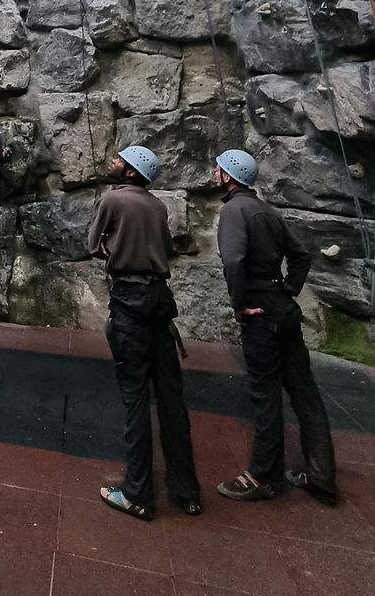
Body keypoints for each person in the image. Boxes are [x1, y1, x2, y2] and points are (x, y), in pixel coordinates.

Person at [214, 149, 338, 506]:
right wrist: (286, 289)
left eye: (218, 169)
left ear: (227, 176)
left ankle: (262, 477)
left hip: (259, 311)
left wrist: (239, 305)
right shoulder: (268, 211)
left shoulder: (233, 211)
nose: (215, 172)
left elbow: (234, 261)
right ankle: (321, 476)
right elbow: (300, 256)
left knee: (265, 394)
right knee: (306, 394)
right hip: (283, 308)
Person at [88, 146, 202, 521]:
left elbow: (93, 244)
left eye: (120, 160)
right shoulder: (158, 206)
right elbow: (164, 249)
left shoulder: (112, 199)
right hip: (159, 301)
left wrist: (112, 247)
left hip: (129, 303)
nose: (113, 161)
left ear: (133, 172)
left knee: (135, 395)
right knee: (171, 397)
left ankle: (136, 493)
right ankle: (186, 491)